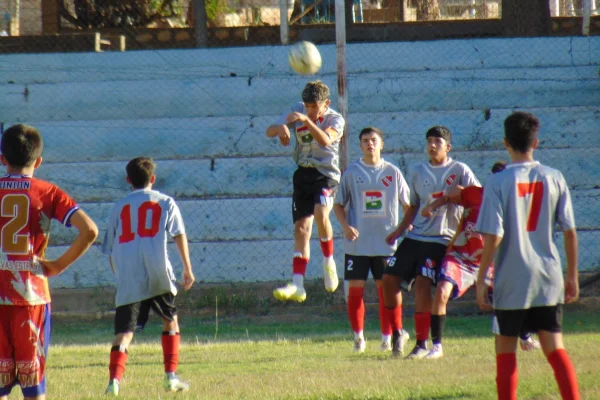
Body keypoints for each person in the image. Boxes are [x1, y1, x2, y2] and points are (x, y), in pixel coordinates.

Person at [476, 111, 580, 400]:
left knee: (506, 351)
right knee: (555, 347)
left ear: (505, 142)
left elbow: (494, 235)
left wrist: (482, 276)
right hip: (548, 275)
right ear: (537, 142)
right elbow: (570, 231)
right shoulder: (554, 176)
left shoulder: (497, 182)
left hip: (511, 278)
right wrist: (571, 275)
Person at [0, 124, 98, 400]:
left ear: (2, 158)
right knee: (34, 390)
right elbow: (90, 230)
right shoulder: (49, 192)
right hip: (31, 296)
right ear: (38, 161)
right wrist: (57, 266)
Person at [419, 161, 540, 359]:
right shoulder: (475, 194)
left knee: (510, 299)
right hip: (461, 258)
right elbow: (451, 193)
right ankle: (437, 347)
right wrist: (433, 205)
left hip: (492, 262)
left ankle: (524, 337)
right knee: (441, 292)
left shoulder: (516, 205)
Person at [382, 126, 479, 359]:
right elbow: (413, 206)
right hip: (415, 237)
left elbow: (476, 196)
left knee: (423, 283)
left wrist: (456, 198)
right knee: (388, 279)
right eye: (429, 141)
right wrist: (399, 231)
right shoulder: (417, 171)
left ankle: (422, 344)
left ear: (448, 147)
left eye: (437, 141)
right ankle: (398, 332)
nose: (432, 145)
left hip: (441, 238)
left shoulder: (459, 170)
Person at [101, 157, 195, 396]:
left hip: (129, 275)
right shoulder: (165, 202)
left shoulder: (118, 207)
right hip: (158, 270)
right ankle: (170, 377)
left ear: (128, 180)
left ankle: (114, 381)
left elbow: (109, 250)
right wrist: (187, 268)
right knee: (170, 320)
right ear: (153, 179)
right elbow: (179, 234)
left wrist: (119, 274)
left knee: (125, 332)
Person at [333, 127, 411, 353]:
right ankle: (358, 339)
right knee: (355, 291)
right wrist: (346, 226)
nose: (370, 144)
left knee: (385, 292)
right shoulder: (351, 173)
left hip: (385, 244)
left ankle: (388, 338)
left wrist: (401, 229)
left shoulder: (393, 172)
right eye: (365, 141)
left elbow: (409, 205)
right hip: (357, 244)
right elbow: (337, 205)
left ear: (381, 144)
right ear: (360, 145)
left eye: (374, 140)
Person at [266, 80, 345, 302]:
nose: (309, 110)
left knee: (321, 214)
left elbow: (326, 140)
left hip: (326, 175)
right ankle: (298, 285)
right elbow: (268, 130)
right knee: (302, 228)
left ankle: (329, 261)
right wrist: (281, 128)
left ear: (326, 103)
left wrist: (306, 121)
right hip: (303, 174)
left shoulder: (335, 119)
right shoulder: (297, 109)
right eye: (307, 106)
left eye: (314, 106)